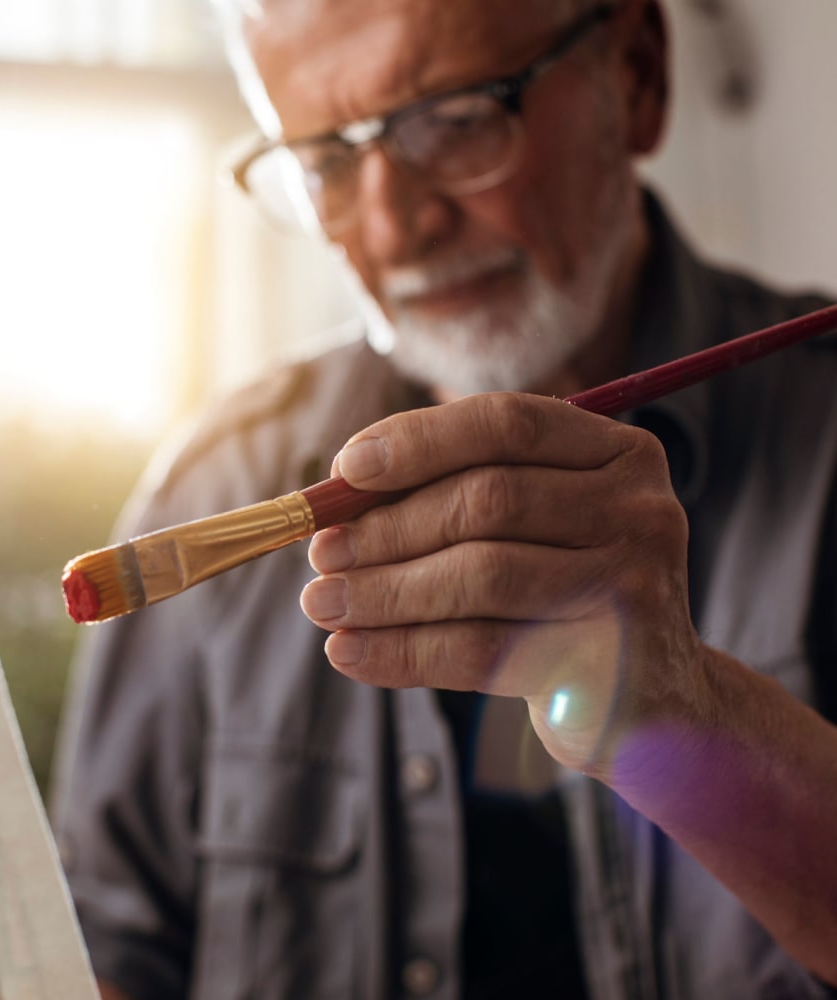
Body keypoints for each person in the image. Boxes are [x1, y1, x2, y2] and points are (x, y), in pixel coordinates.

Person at [49, 0, 837, 997]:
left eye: (457, 119)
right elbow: (99, 952)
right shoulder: (213, 484)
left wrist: (688, 710)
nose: (392, 223)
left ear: (636, 78)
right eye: (328, 161)